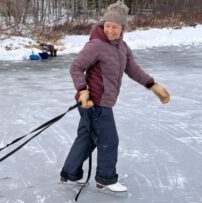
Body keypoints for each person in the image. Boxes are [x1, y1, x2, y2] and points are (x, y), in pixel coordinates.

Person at [60, 1, 170, 192]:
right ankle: (106, 179)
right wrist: (83, 90)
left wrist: (152, 84)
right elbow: (76, 67)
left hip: (101, 102)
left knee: (86, 138)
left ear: (122, 28)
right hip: (94, 103)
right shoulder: (96, 45)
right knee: (108, 140)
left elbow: (133, 69)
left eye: (115, 27)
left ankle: (69, 174)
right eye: (108, 26)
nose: (110, 30)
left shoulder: (122, 48)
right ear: (103, 25)